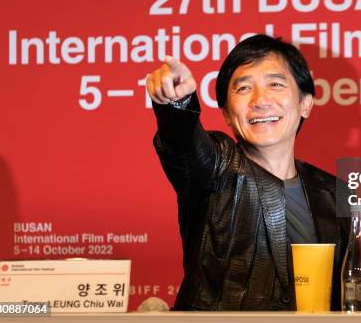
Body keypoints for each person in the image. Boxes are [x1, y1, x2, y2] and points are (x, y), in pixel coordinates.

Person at [146, 34, 348, 311]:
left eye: (275, 84)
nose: (260, 100)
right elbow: (185, 145)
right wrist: (178, 104)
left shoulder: (335, 192)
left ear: (305, 103)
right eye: (242, 89)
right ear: (227, 114)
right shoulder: (218, 166)